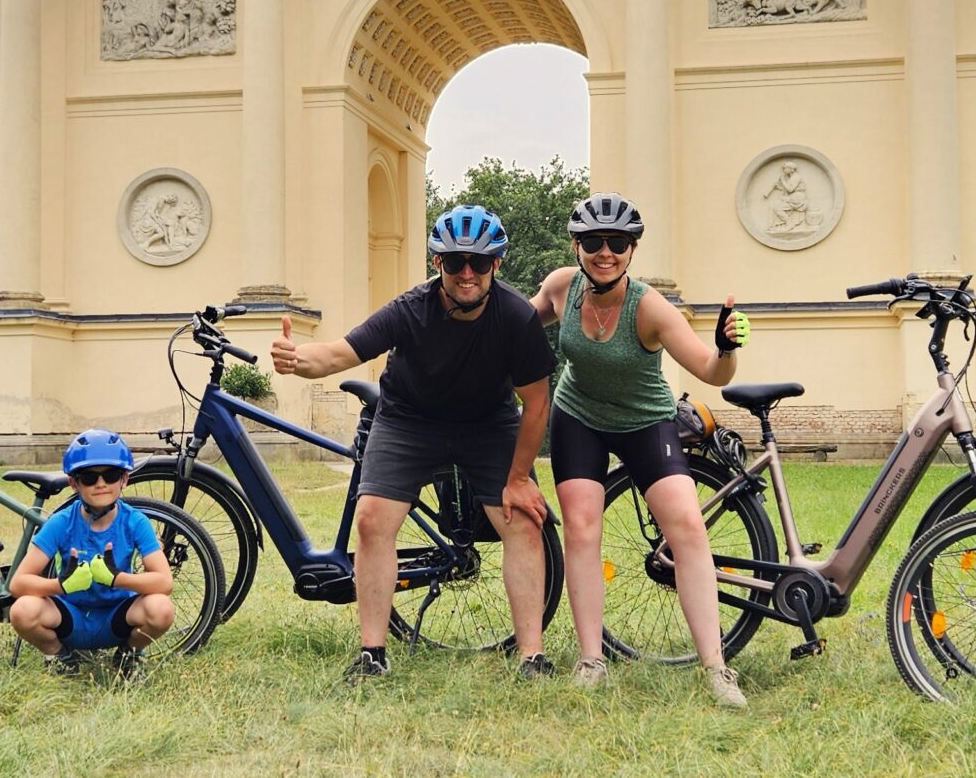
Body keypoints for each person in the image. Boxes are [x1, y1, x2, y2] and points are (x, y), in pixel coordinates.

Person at [271, 204, 556, 682]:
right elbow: (341, 352)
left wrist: (519, 477)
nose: (467, 273)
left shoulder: (516, 317)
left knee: (522, 521)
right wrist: (299, 360)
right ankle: (372, 653)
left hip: (489, 423)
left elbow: (537, 403)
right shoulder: (410, 308)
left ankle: (532, 656)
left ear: (496, 266)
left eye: (479, 263)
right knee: (373, 520)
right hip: (409, 419)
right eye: (454, 262)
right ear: (436, 264)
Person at [531, 193, 752, 707]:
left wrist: (726, 346)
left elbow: (712, 372)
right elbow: (515, 324)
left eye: (617, 242)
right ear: (576, 245)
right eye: (592, 242)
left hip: (644, 420)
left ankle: (716, 669)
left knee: (688, 526)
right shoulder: (562, 288)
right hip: (578, 416)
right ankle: (591, 661)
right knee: (583, 528)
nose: (604, 252)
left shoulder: (650, 308)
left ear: (632, 249)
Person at [6, 429, 176, 670]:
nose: (101, 484)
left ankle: (128, 654)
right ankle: (61, 655)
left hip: (119, 617)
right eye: (89, 477)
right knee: (22, 610)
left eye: (111, 475)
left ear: (124, 479)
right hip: (70, 617)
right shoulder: (61, 522)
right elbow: (18, 584)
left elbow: (164, 582)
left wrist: (118, 579)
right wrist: (62, 585)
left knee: (161, 608)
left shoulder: (135, 522)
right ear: (73, 483)